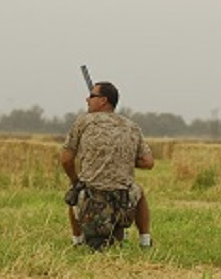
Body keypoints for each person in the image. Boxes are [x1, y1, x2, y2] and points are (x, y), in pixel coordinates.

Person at [61, 81, 154, 249]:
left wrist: (76, 181)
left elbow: (66, 160)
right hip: (124, 203)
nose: (87, 99)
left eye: (91, 96)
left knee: (74, 192)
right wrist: (120, 157)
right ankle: (145, 241)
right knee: (139, 191)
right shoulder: (132, 126)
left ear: (103, 100)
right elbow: (148, 162)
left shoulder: (83, 122)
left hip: (90, 202)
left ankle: (77, 242)